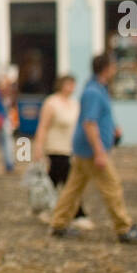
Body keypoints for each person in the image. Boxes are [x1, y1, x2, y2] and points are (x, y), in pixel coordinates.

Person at [50, 53, 137, 243]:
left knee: (73, 188)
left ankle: (59, 224)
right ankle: (124, 228)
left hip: (85, 150)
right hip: (91, 151)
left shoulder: (98, 88)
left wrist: (113, 128)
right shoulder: (93, 92)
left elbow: (101, 116)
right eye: (113, 66)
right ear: (106, 68)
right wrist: (99, 152)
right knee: (112, 186)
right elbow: (89, 123)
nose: (115, 69)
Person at [33, 75, 91, 228]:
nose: (72, 87)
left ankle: (46, 209)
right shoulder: (51, 103)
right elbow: (43, 126)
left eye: (73, 84)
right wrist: (38, 147)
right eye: (69, 84)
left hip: (70, 149)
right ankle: (78, 213)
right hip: (55, 149)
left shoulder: (74, 104)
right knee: (68, 182)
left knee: (55, 182)